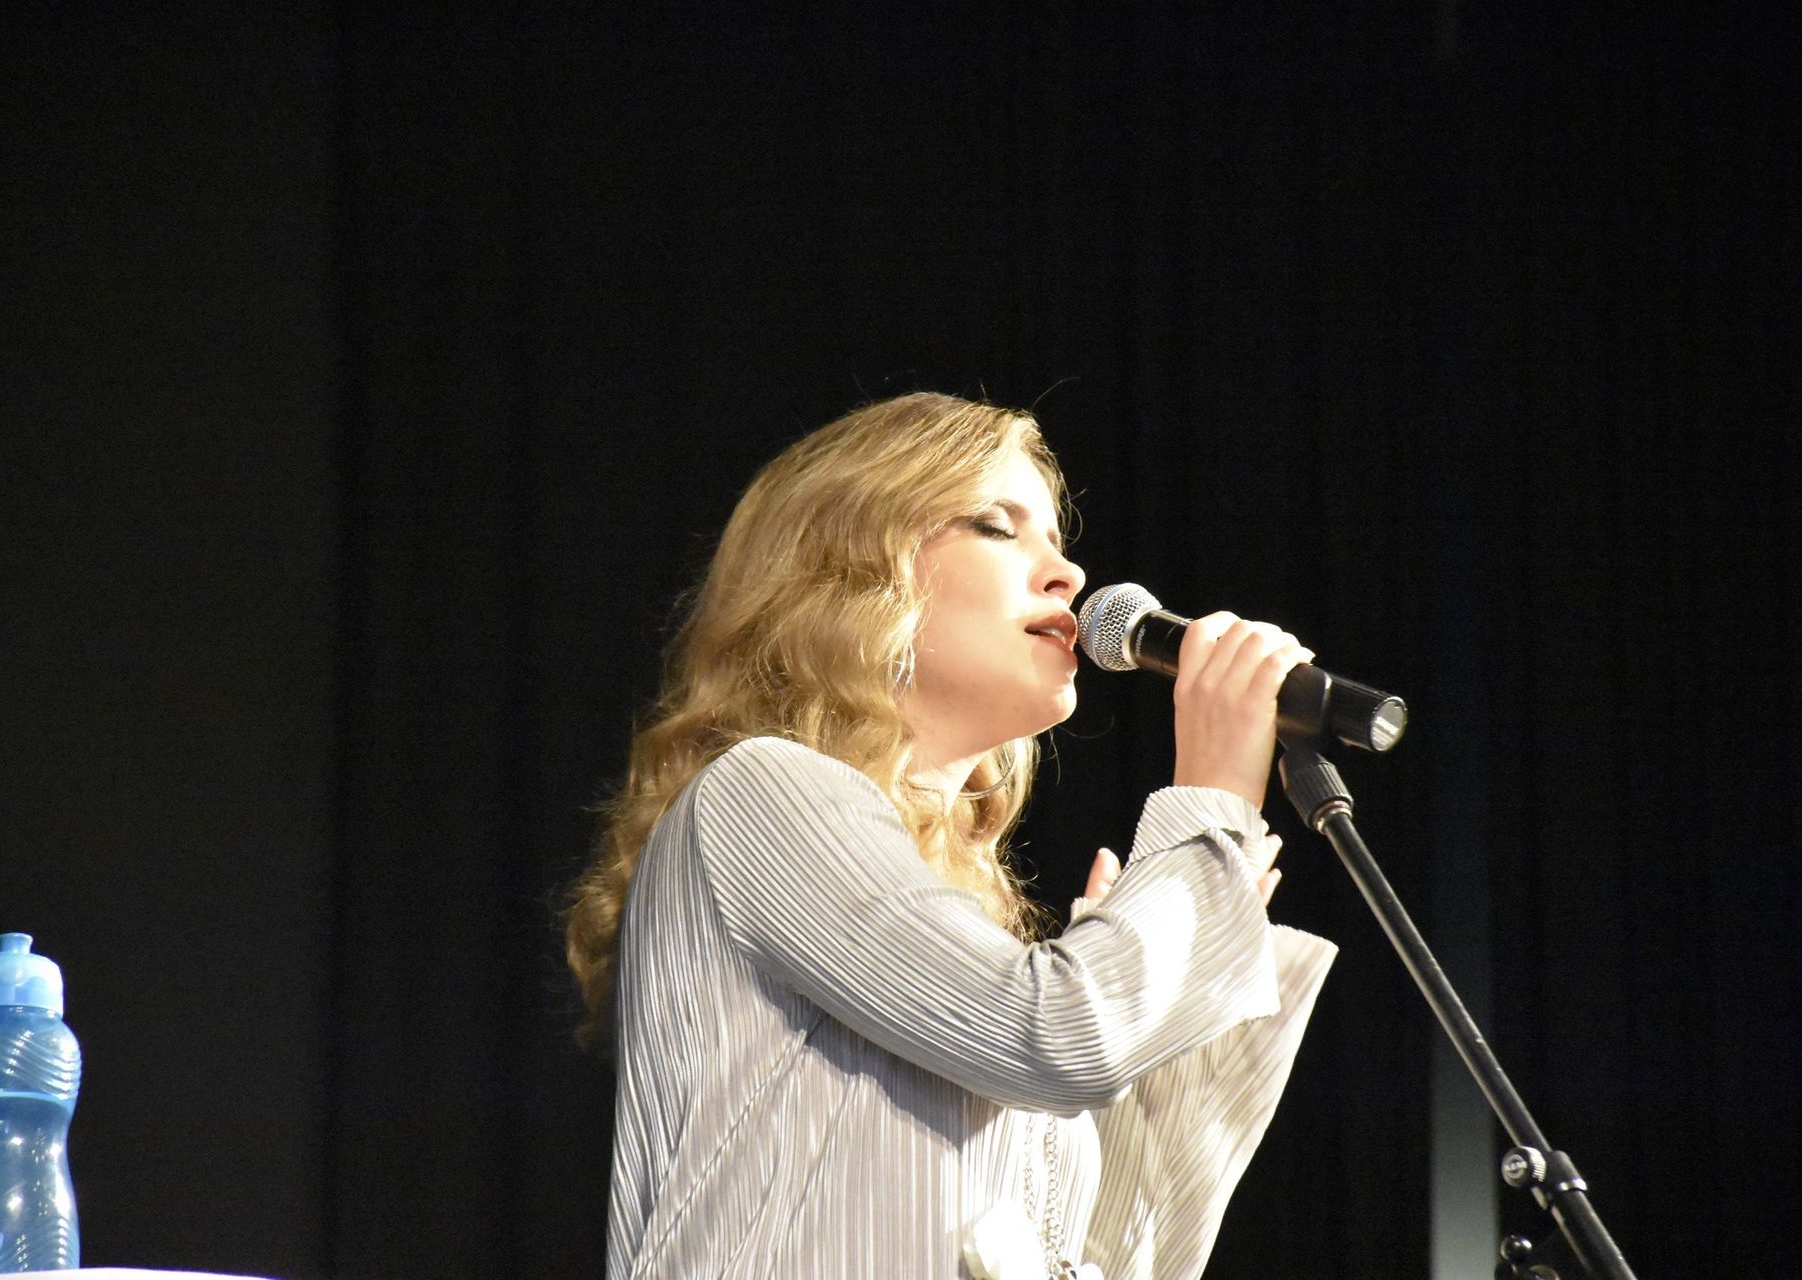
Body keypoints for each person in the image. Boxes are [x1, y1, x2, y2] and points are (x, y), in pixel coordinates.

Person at [565, 391, 1336, 1279]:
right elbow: (1052, 1034)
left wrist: (1159, 980)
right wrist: (1207, 800)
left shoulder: (976, 954)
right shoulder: (757, 791)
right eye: (997, 526)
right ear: (850, 574)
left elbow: (1121, 1259)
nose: (1068, 577)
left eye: (1057, 538)